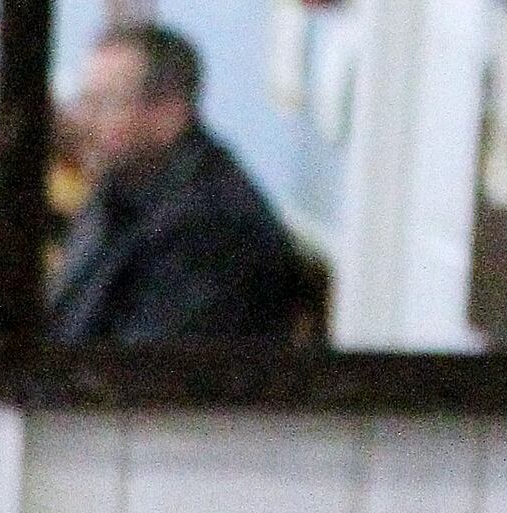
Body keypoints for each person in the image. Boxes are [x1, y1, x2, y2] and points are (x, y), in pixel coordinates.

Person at [51, 23, 312, 344]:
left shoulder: (212, 230)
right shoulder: (127, 182)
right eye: (84, 101)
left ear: (168, 113)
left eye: (104, 104)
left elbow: (141, 374)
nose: (84, 120)